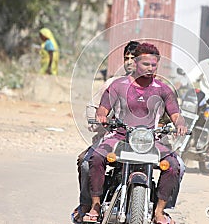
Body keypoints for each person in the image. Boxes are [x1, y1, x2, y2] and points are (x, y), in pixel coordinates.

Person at [71, 42, 186, 223]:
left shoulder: (163, 89)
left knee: (174, 166)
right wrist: (102, 116)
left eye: (153, 65)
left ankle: (159, 211)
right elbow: (102, 109)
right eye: (145, 64)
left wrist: (180, 123)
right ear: (137, 63)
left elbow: (176, 114)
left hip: (150, 138)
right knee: (95, 158)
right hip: (119, 136)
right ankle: (95, 205)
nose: (150, 68)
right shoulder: (118, 85)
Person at [71, 41, 139, 223]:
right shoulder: (112, 83)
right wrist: (99, 121)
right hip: (112, 138)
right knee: (85, 163)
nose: (130, 62)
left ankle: (158, 210)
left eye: (134, 58)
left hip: (141, 143)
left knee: (173, 165)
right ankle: (88, 205)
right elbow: (92, 108)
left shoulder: (154, 87)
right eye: (127, 58)